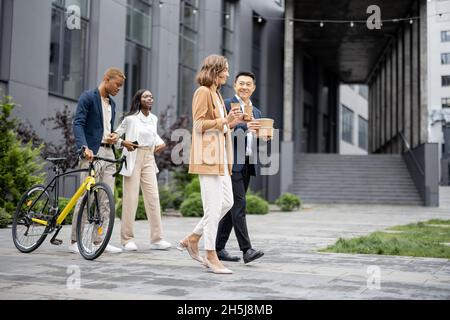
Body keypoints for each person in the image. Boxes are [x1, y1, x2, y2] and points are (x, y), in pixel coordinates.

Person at [178, 54, 242, 274]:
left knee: (227, 202)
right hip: (208, 158)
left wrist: (231, 123)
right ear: (215, 71)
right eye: (225, 69)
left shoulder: (216, 94)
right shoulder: (203, 92)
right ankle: (210, 254)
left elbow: (220, 128)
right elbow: (198, 126)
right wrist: (224, 120)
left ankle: (193, 237)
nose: (228, 73)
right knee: (213, 207)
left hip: (222, 160)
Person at [69, 67, 125, 254]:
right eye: (117, 85)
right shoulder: (88, 97)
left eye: (121, 86)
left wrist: (113, 137)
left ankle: (99, 240)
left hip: (109, 154)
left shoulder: (113, 104)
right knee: (86, 197)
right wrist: (83, 147)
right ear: (106, 79)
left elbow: (104, 128)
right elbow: (78, 123)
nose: (119, 89)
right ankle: (74, 241)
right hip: (92, 152)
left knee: (106, 200)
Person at [111, 89, 171, 251]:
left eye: (151, 96)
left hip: (148, 157)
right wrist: (124, 143)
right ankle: (127, 239)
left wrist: (160, 143)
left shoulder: (154, 118)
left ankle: (157, 239)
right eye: (146, 96)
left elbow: (152, 135)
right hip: (133, 156)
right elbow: (115, 136)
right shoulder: (130, 119)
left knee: (153, 198)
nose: (150, 98)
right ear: (139, 99)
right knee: (131, 200)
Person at [215, 71, 265, 264]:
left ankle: (219, 248)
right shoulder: (227, 105)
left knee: (230, 207)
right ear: (235, 85)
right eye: (241, 83)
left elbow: (259, 139)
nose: (244, 87)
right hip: (230, 162)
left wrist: (265, 136)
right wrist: (242, 127)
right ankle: (247, 250)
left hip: (247, 163)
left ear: (253, 88)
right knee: (239, 205)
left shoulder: (257, 112)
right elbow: (223, 130)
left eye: (248, 84)